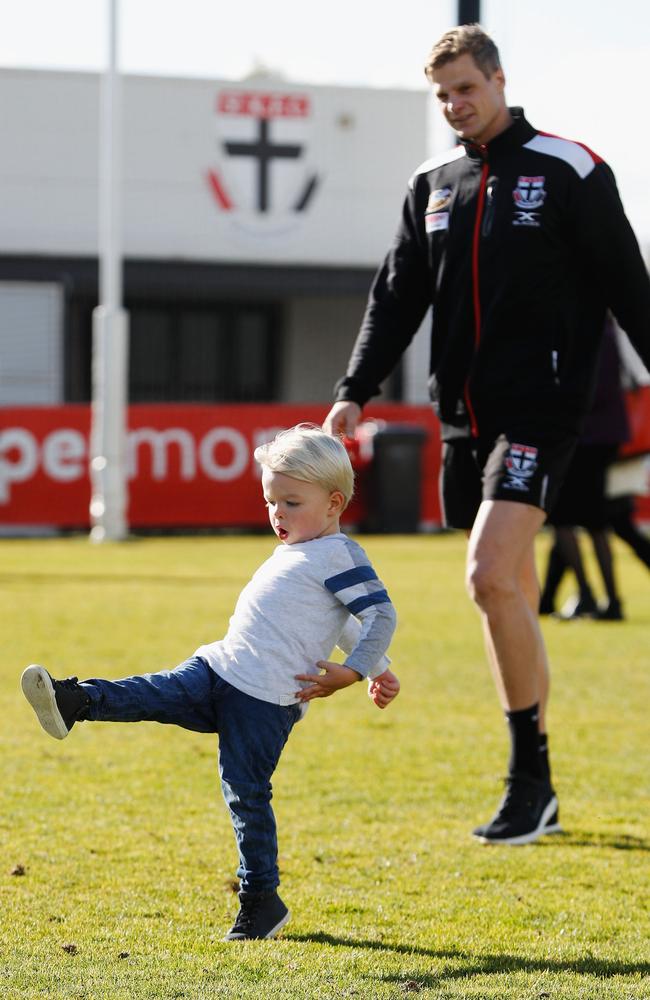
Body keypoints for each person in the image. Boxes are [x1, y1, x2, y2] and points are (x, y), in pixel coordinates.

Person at [323, 24, 650, 845]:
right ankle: (539, 778)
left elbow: (631, 290)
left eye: (466, 89)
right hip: (464, 420)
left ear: (499, 80)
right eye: (442, 96)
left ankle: (528, 781)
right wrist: (354, 392)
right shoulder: (432, 184)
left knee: (488, 574)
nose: (455, 106)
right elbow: (395, 300)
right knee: (508, 591)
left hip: (544, 410)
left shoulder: (571, 170)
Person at [21, 424, 400, 940]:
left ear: (334, 503)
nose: (277, 514)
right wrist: (379, 669)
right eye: (270, 502)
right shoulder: (296, 549)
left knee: (246, 795)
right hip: (220, 668)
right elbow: (341, 620)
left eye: (290, 502)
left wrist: (359, 670)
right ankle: (74, 700)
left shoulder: (338, 555)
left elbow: (378, 614)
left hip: (265, 702)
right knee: (151, 692)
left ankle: (261, 900)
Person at [540, 321, 629, 621]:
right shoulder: (607, 327)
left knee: (563, 519)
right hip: (604, 435)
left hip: (578, 438)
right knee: (595, 521)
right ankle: (610, 599)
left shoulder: (577, 327)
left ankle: (587, 594)